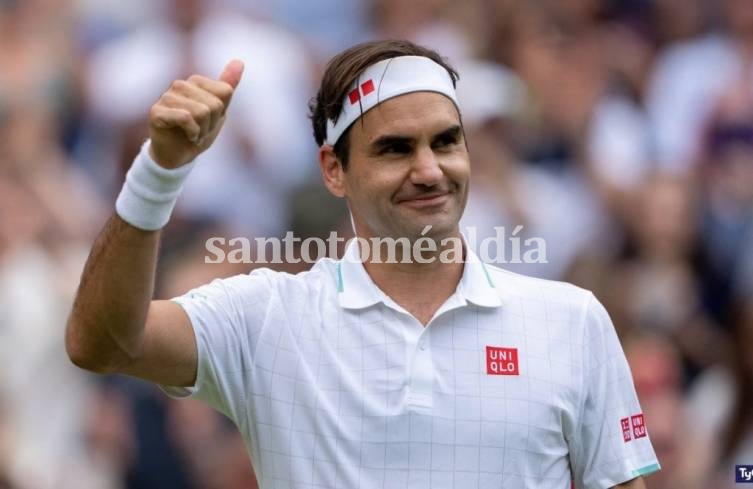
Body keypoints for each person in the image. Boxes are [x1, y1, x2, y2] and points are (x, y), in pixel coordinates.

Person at [66, 40, 660, 488]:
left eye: (446, 142)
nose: (430, 169)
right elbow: (101, 342)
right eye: (395, 148)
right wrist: (159, 172)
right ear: (334, 170)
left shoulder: (572, 320)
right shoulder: (266, 317)